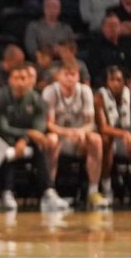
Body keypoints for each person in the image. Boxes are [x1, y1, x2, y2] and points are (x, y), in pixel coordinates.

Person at [0, 64, 69, 213]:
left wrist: (25, 139)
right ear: (10, 80)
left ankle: (48, 192)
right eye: (16, 78)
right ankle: (6, 192)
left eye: (24, 78)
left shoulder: (37, 100)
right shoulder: (0, 99)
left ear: (29, 81)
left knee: (41, 143)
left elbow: (38, 129)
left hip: (28, 142)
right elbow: (3, 128)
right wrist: (26, 135)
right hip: (6, 139)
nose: (20, 81)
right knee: (7, 149)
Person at [43, 63, 107, 211]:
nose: (70, 78)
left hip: (79, 138)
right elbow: (48, 124)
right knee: (51, 139)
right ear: (58, 76)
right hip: (60, 136)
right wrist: (68, 132)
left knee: (96, 139)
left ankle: (93, 191)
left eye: (73, 74)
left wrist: (80, 132)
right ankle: (50, 190)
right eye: (66, 74)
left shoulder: (85, 91)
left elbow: (90, 124)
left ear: (78, 76)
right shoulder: (50, 91)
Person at [95, 66, 131, 204]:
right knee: (106, 141)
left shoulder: (129, 94)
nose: (116, 83)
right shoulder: (99, 97)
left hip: (126, 136)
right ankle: (106, 187)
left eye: (119, 80)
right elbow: (103, 128)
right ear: (107, 82)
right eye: (112, 79)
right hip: (109, 137)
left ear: (124, 82)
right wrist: (124, 134)